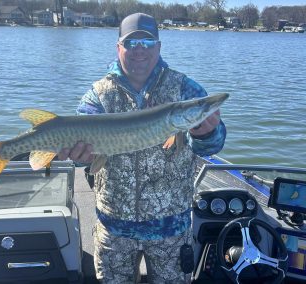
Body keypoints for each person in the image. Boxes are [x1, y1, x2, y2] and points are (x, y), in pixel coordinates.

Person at [58, 13, 226, 284]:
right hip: (114, 226)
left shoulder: (184, 89)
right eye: (131, 42)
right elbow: (81, 156)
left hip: (170, 227)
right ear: (118, 47)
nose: (139, 50)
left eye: (147, 43)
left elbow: (211, 146)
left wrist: (207, 133)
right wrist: (79, 158)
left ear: (158, 47)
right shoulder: (98, 94)